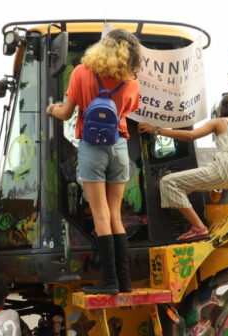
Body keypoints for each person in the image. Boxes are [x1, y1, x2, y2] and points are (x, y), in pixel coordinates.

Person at [47, 29, 141, 295]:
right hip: (119, 146)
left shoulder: (81, 72)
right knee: (115, 215)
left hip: (92, 147)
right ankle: (124, 281)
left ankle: (109, 282)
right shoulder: (131, 83)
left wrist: (51, 108)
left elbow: (66, 113)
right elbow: (126, 111)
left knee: (100, 215)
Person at [137, 91, 228, 241]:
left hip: (226, 169)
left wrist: (156, 130)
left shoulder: (219, 122)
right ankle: (180, 204)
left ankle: (199, 227)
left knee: (168, 183)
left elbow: (191, 136)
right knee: (185, 187)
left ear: (221, 109)